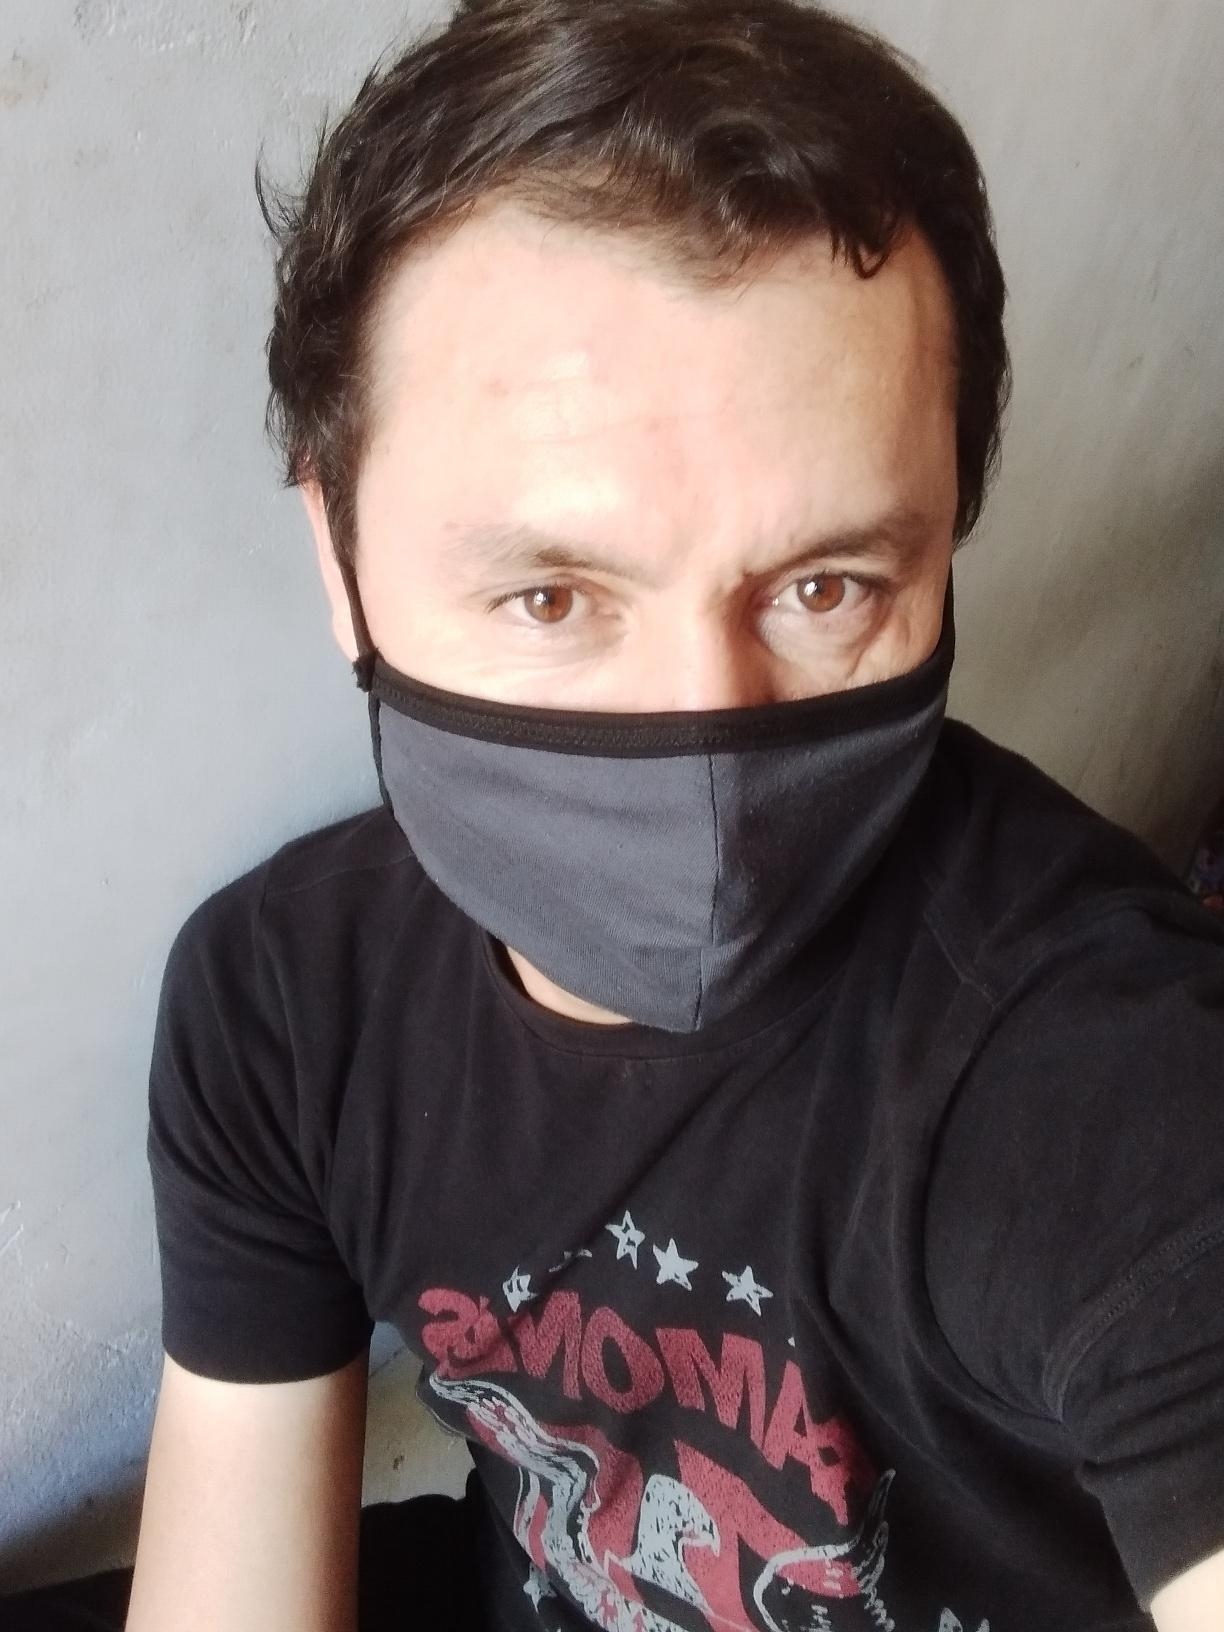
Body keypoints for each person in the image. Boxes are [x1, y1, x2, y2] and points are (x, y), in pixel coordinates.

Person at [7, 0, 1224, 1627]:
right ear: (340, 562)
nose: (701, 735)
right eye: (552, 597)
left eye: (824, 586)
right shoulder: (286, 1010)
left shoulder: (1116, 1083)